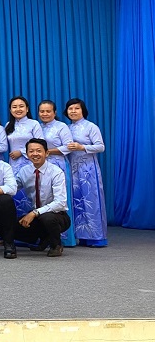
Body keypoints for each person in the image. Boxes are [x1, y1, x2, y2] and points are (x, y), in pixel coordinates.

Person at [15, 138, 71, 257]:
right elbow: (12, 188)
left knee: (47, 218)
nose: (35, 154)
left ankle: (56, 245)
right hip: (37, 216)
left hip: (58, 215)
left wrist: (34, 213)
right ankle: (44, 238)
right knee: (6, 227)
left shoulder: (56, 172)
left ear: (47, 153)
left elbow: (60, 203)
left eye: (39, 151)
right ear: (27, 154)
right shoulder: (24, 171)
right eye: (31, 151)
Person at [65, 98, 107, 247]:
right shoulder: (67, 128)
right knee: (76, 200)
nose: (73, 111)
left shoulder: (91, 127)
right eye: (70, 109)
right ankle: (81, 235)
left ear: (83, 110)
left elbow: (101, 147)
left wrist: (82, 147)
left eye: (77, 108)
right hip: (72, 168)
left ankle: (96, 236)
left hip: (88, 169)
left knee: (91, 199)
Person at [38, 99, 76, 246]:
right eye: (42, 111)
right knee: (43, 197)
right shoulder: (38, 127)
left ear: (54, 112)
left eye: (48, 111)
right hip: (41, 165)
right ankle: (44, 236)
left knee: (59, 198)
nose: (45, 114)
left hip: (58, 164)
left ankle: (63, 238)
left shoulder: (61, 126)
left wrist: (47, 151)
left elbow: (69, 147)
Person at [4, 96, 45, 217]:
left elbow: (41, 142)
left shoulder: (34, 124)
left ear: (27, 109)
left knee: (32, 190)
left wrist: (21, 152)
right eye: (14, 107)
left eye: (21, 106)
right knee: (15, 192)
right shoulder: (8, 125)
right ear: (10, 110)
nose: (18, 109)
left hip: (30, 162)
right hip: (14, 164)